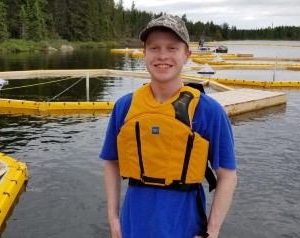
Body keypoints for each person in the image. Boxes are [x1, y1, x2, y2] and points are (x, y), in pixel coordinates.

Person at [100, 14, 237, 238]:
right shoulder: (124, 107)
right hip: (132, 227)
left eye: (172, 48)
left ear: (187, 55)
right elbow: (111, 163)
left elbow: (227, 176)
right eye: (154, 48)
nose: (162, 56)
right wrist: (113, 219)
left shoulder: (209, 111)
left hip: (186, 228)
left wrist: (212, 232)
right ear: (144, 54)